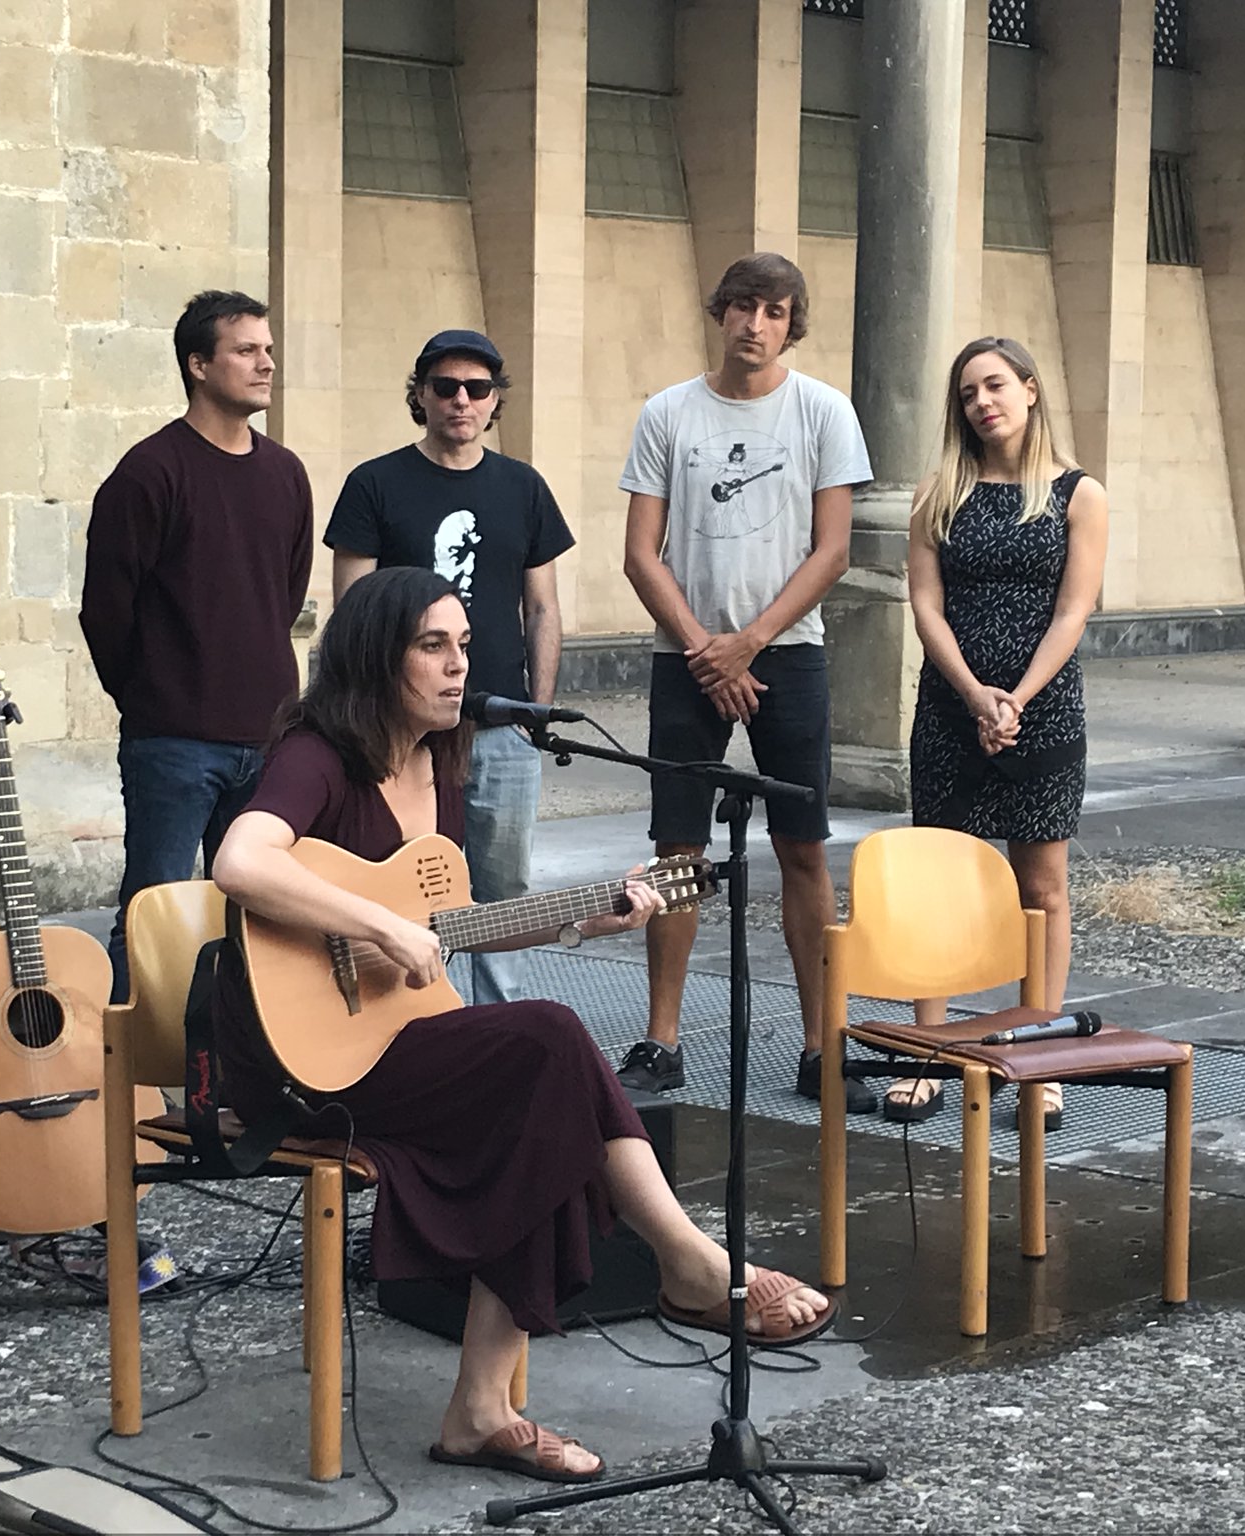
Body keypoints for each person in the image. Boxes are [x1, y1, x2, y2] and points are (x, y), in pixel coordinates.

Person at [208, 567, 832, 1484]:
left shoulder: (438, 765)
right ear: (376, 657)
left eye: (464, 645)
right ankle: (688, 1262)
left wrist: (586, 917)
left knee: (541, 1102)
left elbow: (451, 925)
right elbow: (239, 862)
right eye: (433, 646)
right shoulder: (319, 755)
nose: (459, 666)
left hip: (386, 1041)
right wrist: (378, 924)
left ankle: (482, 1411)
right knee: (547, 1041)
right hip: (294, 1057)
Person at [614, 253, 877, 1114]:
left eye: (774, 310)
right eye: (741, 306)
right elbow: (640, 553)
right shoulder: (668, 412)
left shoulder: (823, 411)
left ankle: (820, 1043)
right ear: (719, 312)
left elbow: (832, 550)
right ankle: (662, 1039)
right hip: (685, 657)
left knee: (803, 846)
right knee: (678, 849)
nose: (755, 324)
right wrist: (706, 650)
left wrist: (750, 644)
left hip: (788, 653)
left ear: (792, 323)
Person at [893, 337, 1110, 1126]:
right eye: (967, 393)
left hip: (1043, 709)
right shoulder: (938, 493)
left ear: (1030, 388)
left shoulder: (1079, 494)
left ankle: (1039, 1056)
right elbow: (925, 604)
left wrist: (1015, 698)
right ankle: (929, 1050)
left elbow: (1073, 611)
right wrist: (974, 695)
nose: (981, 402)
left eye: (994, 385)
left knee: (1041, 887)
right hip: (951, 708)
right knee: (938, 878)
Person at [80, 289, 315, 1006]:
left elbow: (284, 594)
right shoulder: (150, 473)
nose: (266, 363)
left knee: (262, 921)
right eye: (246, 350)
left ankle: (242, 1062)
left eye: (268, 349)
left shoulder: (285, 473)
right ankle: (135, 1062)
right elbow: (105, 612)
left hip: (269, 737)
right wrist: (156, 695)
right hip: (173, 743)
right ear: (198, 364)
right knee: (153, 915)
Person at [325, 329, 573, 1006]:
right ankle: (407, 1019)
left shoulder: (523, 487)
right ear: (421, 395)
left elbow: (543, 607)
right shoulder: (374, 484)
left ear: (494, 400)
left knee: (501, 892)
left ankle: (496, 1023)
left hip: (500, 726)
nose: (461, 400)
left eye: (477, 388)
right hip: (402, 733)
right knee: (398, 882)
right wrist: (369, 720)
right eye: (445, 386)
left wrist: (534, 713)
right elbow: (353, 613)